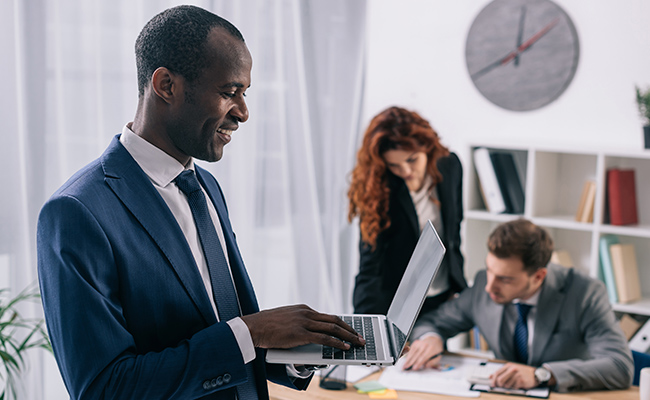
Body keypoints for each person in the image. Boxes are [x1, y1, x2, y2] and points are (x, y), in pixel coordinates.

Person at [37, 6, 364, 400]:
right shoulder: (77, 212)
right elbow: (103, 389)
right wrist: (251, 330)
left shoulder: (204, 186)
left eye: (245, 93)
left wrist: (301, 349)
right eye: (229, 92)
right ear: (166, 85)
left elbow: (222, 335)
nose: (243, 112)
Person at [404, 219, 634, 392]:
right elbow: (432, 322)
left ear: (538, 276)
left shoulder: (584, 293)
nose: (489, 286)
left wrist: (543, 374)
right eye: (490, 270)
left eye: (505, 279)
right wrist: (430, 338)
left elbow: (620, 366)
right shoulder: (487, 282)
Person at [347, 106, 467, 316]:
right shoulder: (378, 188)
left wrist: (456, 283)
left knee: (433, 347)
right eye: (394, 165)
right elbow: (371, 265)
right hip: (396, 301)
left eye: (412, 159)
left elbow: (454, 229)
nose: (406, 171)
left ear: (427, 147)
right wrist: (365, 321)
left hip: (442, 293)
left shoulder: (450, 166)